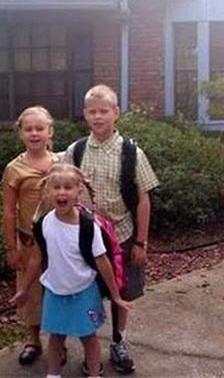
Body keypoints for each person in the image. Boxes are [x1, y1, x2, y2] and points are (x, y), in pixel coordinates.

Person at [63, 84, 159, 374]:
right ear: (84, 114)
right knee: (87, 294)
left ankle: (119, 341)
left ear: (116, 113)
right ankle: (91, 350)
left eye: (104, 111)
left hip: (122, 236)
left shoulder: (131, 152)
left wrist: (141, 242)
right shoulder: (76, 151)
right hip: (85, 239)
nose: (98, 117)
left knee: (122, 292)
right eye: (92, 111)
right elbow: (64, 190)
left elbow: (143, 199)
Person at [11, 163, 132, 378]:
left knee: (89, 339)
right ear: (47, 191)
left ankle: (94, 375)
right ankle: (53, 374)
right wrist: (24, 289)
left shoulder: (88, 227)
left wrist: (115, 296)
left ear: (78, 191)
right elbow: (37, 258)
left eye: (68, 187)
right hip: (55, 293)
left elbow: (103, 261)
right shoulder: (44, 224)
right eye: (56, 187)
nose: (62, 192)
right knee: (56, 338)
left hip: (84, 293)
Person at [2, 106, 59, 366]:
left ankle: (58, 342)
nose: (34, 133)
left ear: (50, 132)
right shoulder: (14, 169)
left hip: (58, 241)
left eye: (40, 128)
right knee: (31, 290)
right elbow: (8, 211)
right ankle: (33, 340)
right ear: (21, 134)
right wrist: (11, 248)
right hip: (29, 241)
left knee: (58, 290)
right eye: (29, 129)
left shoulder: (61, 163)